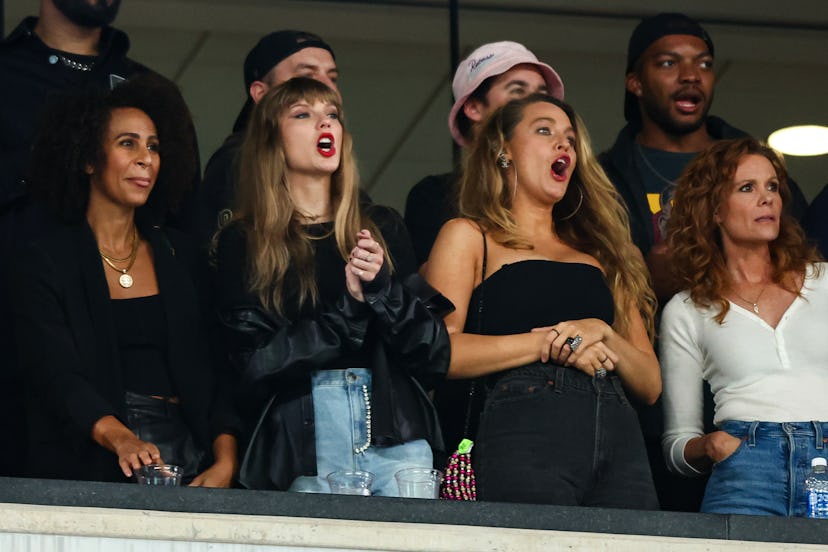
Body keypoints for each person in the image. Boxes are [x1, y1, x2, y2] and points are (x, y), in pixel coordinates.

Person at [598, 12, 808, 512]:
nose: (690, 75)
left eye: (704, 63)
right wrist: (647, 278)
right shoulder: (604, 178)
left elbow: (797, 262)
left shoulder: (758, 166)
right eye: (669, 63)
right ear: (635, 81)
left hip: (775, 418)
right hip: (650, 402)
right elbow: (587, 281)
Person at [214, 77, 452, 496]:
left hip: (394, 429)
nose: (324, 123)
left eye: (332, 115)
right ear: (272, 138)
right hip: (304, 437)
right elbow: (251, 367)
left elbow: (432, 352)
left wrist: (383, 289)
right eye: (303, 115)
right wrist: (349, 310)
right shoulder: (246, 240)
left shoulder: (381, 225)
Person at [424, 93, 659, 507]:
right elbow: (443, 351)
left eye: (570, 138)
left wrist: (602, 334)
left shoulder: (605, 253)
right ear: (503, 152)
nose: (563, 144)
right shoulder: (470, 235)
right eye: (545, 130)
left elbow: (650, 383)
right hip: (522, 435)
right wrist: (550, 342)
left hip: (618, 436)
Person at [11, 74, 240, 485]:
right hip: (92, 458)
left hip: (191, 459)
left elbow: (220, 368)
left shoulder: (182, 255)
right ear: (87, 158)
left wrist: (225, 461)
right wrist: (121, 438)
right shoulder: (44, 259)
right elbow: (54, 374)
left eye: (153, 146)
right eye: (127, 143)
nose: (146, 158)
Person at [0, 0, 150, 478]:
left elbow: (176, 216)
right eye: (126, 144)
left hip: (112, 340)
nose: (144, 157)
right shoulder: (5, 74)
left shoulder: (145, 87)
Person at [660, 137, 828, 516]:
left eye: (772, 186)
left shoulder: (825, 282)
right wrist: (714, 445)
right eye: (747, 188)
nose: (767, 198)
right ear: (714, 209)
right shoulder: (686, 309)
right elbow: (676, 447)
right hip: (745, 466)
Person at [404, 40, 564, 268]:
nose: (535, 104)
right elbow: (429, 293)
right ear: (473, 108)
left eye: (542, 94)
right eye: (518, 91)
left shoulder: (564, 192)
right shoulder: (435, 196)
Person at [196, 30, 340, 251]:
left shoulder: (340, 169)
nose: (327, 88)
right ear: (261, 93)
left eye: (332, 78)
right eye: (307, 77)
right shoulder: (236, 163)